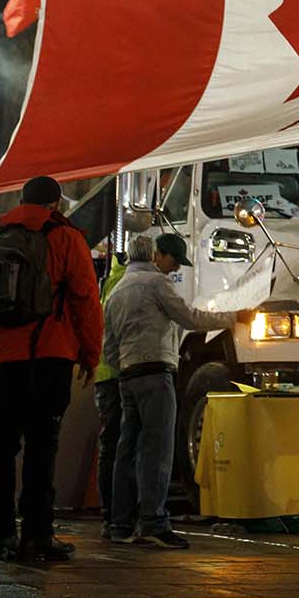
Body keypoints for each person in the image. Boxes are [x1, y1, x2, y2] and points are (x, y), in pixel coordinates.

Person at [0, 175, 103, 564]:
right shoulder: (66, 238)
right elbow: (87, 300)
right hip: (51, 356)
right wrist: (90, 355)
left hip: (2, 362)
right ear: (56, 204)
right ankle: (37, 537)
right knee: (42, 447)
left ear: (21, 200)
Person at [101, 233, 249, 549]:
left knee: (126, 450)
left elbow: (109, 345)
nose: (173, 269)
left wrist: (125, 367)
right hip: (155, 373)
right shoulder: (156, 284)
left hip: (128, 376)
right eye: (173, 261)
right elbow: (190, 318)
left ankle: (120, 524)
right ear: (158, 256)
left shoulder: (117, 291)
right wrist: (233, 318)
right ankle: (154, 522)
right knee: (157, 449)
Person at [91, 251, 127, 538]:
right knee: (119, 446)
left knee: (111, 446)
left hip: (105, 375)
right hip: (117, 375)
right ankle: (116, 514)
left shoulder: (112, 279)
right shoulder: (125, 280)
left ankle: (111, 515)